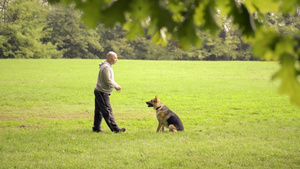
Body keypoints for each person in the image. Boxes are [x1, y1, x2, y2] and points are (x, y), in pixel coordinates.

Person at [92, 51, 126, 133]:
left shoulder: (106, 66)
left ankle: (96, 128)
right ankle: (115, 129)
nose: (116, 60)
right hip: (102, 92)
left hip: (99, 90)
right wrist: (116, 86)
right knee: (107, 110)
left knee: (98, 111)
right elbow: (108, 80)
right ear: (109, 58)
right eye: (115, 58)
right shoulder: (106, 67)